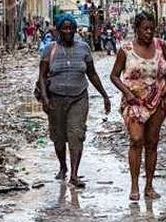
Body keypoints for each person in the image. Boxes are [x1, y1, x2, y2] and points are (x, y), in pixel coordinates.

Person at [38, 13, 111, 188]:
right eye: (64, 28)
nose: (68, 31)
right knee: (58, 137)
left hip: (79, 98)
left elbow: (92, 73)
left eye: (71, 28)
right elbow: (41, 76)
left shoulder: (84, 48)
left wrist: (104, 95)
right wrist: (45, 98)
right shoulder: (49, 49)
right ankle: (63, 166)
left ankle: (75, 174)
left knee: (76, 134)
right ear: (58, 30)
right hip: (56, 99)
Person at [111, 11, 166, 201]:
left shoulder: (161, 46)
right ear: (136, 29)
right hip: (134, 102)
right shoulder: (126, 49)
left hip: (156, 102)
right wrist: (128, 93)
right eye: (145, 29)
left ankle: (149, 186)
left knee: (152, 142)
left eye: (151, 29)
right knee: (136, 140)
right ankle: (134, 184)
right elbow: (114, 75)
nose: (148, 33)